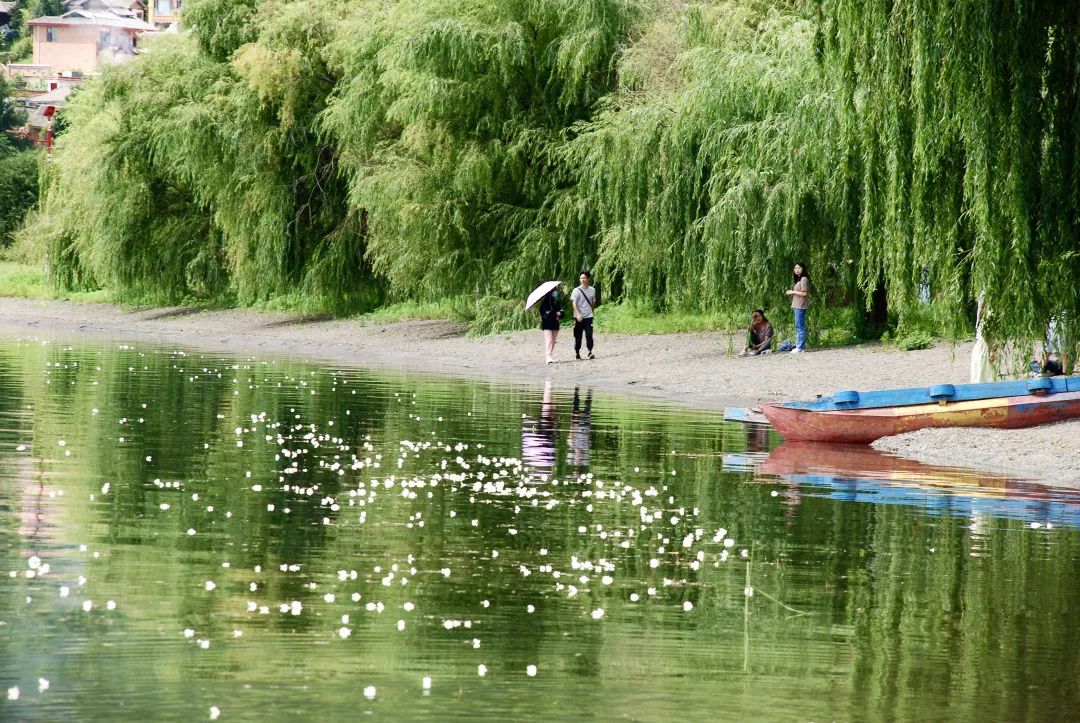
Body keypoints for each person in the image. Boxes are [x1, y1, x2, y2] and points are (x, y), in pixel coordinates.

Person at [571, 270, 598, 360]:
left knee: (589, 334)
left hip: (589, 316)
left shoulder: (592, 290)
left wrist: (592, 313)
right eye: (581, 278)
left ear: (588, 279)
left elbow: (593, 302)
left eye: (585, 278)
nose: (583, 280)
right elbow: (574, 303)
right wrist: (578, 314)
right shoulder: (576, 290)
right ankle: (577, 353)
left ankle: (590, 352)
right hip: (578, 317)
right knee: (578, 336)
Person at [784, 262, 810, 353]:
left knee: (800, 327)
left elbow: (804, 293)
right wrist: (791, 293)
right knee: (798, 326)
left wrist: (792, 292)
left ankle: (800, 347)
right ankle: (800, 346)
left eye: (799, 268)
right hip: (797, 306)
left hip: (800, 306)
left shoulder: (804, 279)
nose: (797, 270)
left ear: (803, 269)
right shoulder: (799, 280)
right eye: (795, 268)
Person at [538, 286, 563, 364]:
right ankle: (548, 356)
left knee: (553, 340)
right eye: (554, 291)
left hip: (555, 324)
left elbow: (562, 313)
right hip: (547, 325)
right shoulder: (544, 304)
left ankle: (550, 355)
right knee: (549, 340)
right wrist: (555, 313)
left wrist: (560, 314)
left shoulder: (556, 302)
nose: (555, 292)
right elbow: (545, 315)